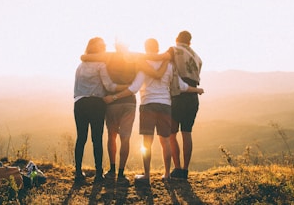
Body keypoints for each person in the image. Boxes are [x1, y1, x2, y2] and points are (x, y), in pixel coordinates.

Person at [103, 38, 203, 183]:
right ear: (158, 48)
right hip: (165, 105)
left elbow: (134, 88)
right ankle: (167, 174)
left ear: (145, 48)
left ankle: (147, 176)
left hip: (148, 105)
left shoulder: (143, 64)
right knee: (166, 141)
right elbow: (181, 86)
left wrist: (114, 97)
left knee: (147, 142)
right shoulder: (169, 65)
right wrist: (197, 90)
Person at [80, 42, 168, 184]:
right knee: (125, 138)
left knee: (112, 136)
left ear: (115, 45)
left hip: (111, 102)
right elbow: (152, 62)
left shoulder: (107, 57)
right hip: (128, 103)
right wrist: (166, 56)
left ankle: (112, 170)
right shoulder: (136, 58)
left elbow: (84, 57)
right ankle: (121, 174)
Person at [144, 31, 203, 179]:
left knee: (171, 133)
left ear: (177, 39)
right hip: (193, 96)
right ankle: (185, 169)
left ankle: (176, 168)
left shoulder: (174, 50)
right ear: (190, 42)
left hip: (178, 95)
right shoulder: (197, 57)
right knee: (187, 133)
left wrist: (141, 57)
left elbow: (160, 58)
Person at [73, 37, 127, 183]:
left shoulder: (80, 65)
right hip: (96, 104)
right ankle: (98, 174)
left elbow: (76, 88)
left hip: (79, 103)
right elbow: (109, 86)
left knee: (81, 138)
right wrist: (127, 87)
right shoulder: (101, 65)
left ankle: (78, 172)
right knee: (97, 138)